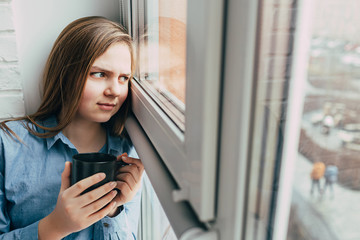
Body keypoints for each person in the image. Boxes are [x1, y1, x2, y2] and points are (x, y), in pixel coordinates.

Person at [0, 16, 144, 239]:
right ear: (66, 75)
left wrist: (114, 210)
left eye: (124, 78)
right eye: (99, 74)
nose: (115, 90)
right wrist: (55, 226)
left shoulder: (130, 154)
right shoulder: (8, 145)